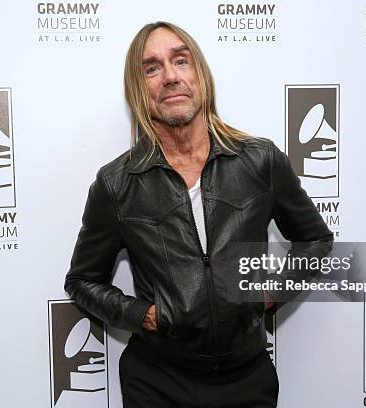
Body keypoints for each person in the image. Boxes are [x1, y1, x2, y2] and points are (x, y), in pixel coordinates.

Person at [64, 21, 333, 407]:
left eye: (181, 61)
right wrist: (146, 315)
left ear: (201, 76)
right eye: (152, 68)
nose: (171, 77)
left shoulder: (260, 161)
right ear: (138, 91)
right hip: (157, 382)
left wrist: (270, 292)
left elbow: (316, 240)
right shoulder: (116, 184)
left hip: (247, 378)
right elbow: (82, 280)